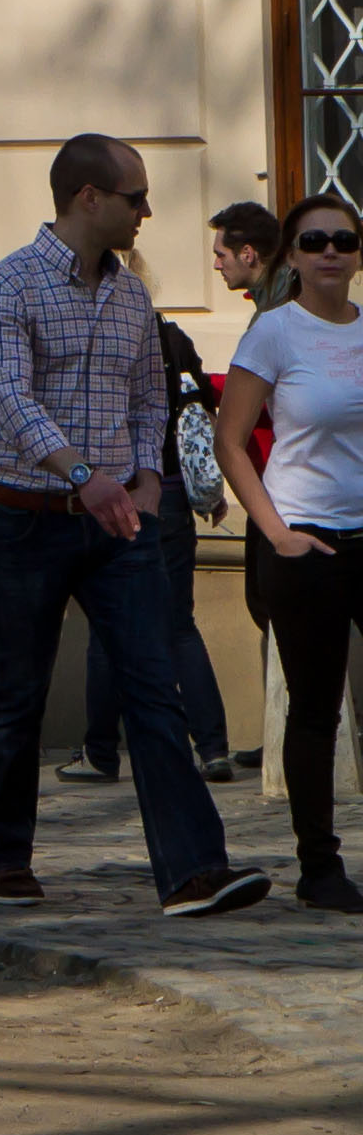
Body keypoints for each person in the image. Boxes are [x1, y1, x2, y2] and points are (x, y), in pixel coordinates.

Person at [0, 133, 266, 915]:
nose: (148, 212)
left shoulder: (131, 294)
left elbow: (148, 397)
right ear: (88, 198)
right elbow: (13, 403)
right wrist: (82, 476)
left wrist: (149, 481)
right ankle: (1, 858)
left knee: (151, 687)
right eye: (136, 197)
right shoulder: (7, 287)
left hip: (121, 522)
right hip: (26, 520)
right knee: (17, 694)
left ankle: (193, 870)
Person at [216, 192, 363, 912]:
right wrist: (275, 531)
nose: (330, 251)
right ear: (292, 258)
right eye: (314, 242)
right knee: (315, 710)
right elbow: (231, 440)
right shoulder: (275, 332)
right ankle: (320, 867)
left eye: (343, 239)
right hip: (305, 539)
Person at [80, 299, 238, 794]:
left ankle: (101, 750)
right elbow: (196, 416)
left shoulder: (105, 337)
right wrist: (203, 487)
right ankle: (212, 746)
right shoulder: (174, 338)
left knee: (107, 627)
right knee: (179, 626)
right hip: (170, 495)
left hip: (117, 494)